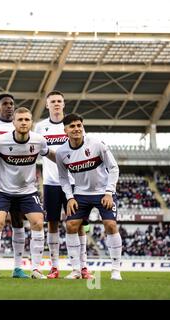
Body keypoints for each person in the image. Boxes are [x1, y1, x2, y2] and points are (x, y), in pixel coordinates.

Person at [0, 107, 55, 279]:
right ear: (14, 122)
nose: (23, 123)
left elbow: (50, 155)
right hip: (3, 190)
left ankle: (36, 269)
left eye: (27, 120)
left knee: (38, 223)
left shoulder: (39, 140)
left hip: (27, 191)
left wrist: (69, 163)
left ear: (31, 122)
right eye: (20, 119)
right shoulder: (1, 140)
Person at [56, 113, 122, 280]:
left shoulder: (97, 144)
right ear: (65, 130)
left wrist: (109, 192)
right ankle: (76, 270)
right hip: (80, 194)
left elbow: (113, 168)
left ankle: (115, 270)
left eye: (79, 125)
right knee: (71, 225)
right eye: (72, 126)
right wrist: (70, 197)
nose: (77, 129)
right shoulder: (61, 152)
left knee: (110, 225)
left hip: (103, 192)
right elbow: (63, 178)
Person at [34, 91, 92, 279]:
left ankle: (82, 267)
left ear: (64, 104)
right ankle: (55, 266)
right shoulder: (40, 127)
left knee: (78, 223)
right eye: (53, 101)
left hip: (75, 182)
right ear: (47, 104)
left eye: (59, 101)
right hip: (51, 182)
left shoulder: (73, 124)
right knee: (52, 222)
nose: (56, 104)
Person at [0, 94, 28, 279]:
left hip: (17, 182)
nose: (9, 107)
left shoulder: (19, 124)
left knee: (18, 222)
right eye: (5, 104)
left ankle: (18, 267)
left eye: (12, 104)